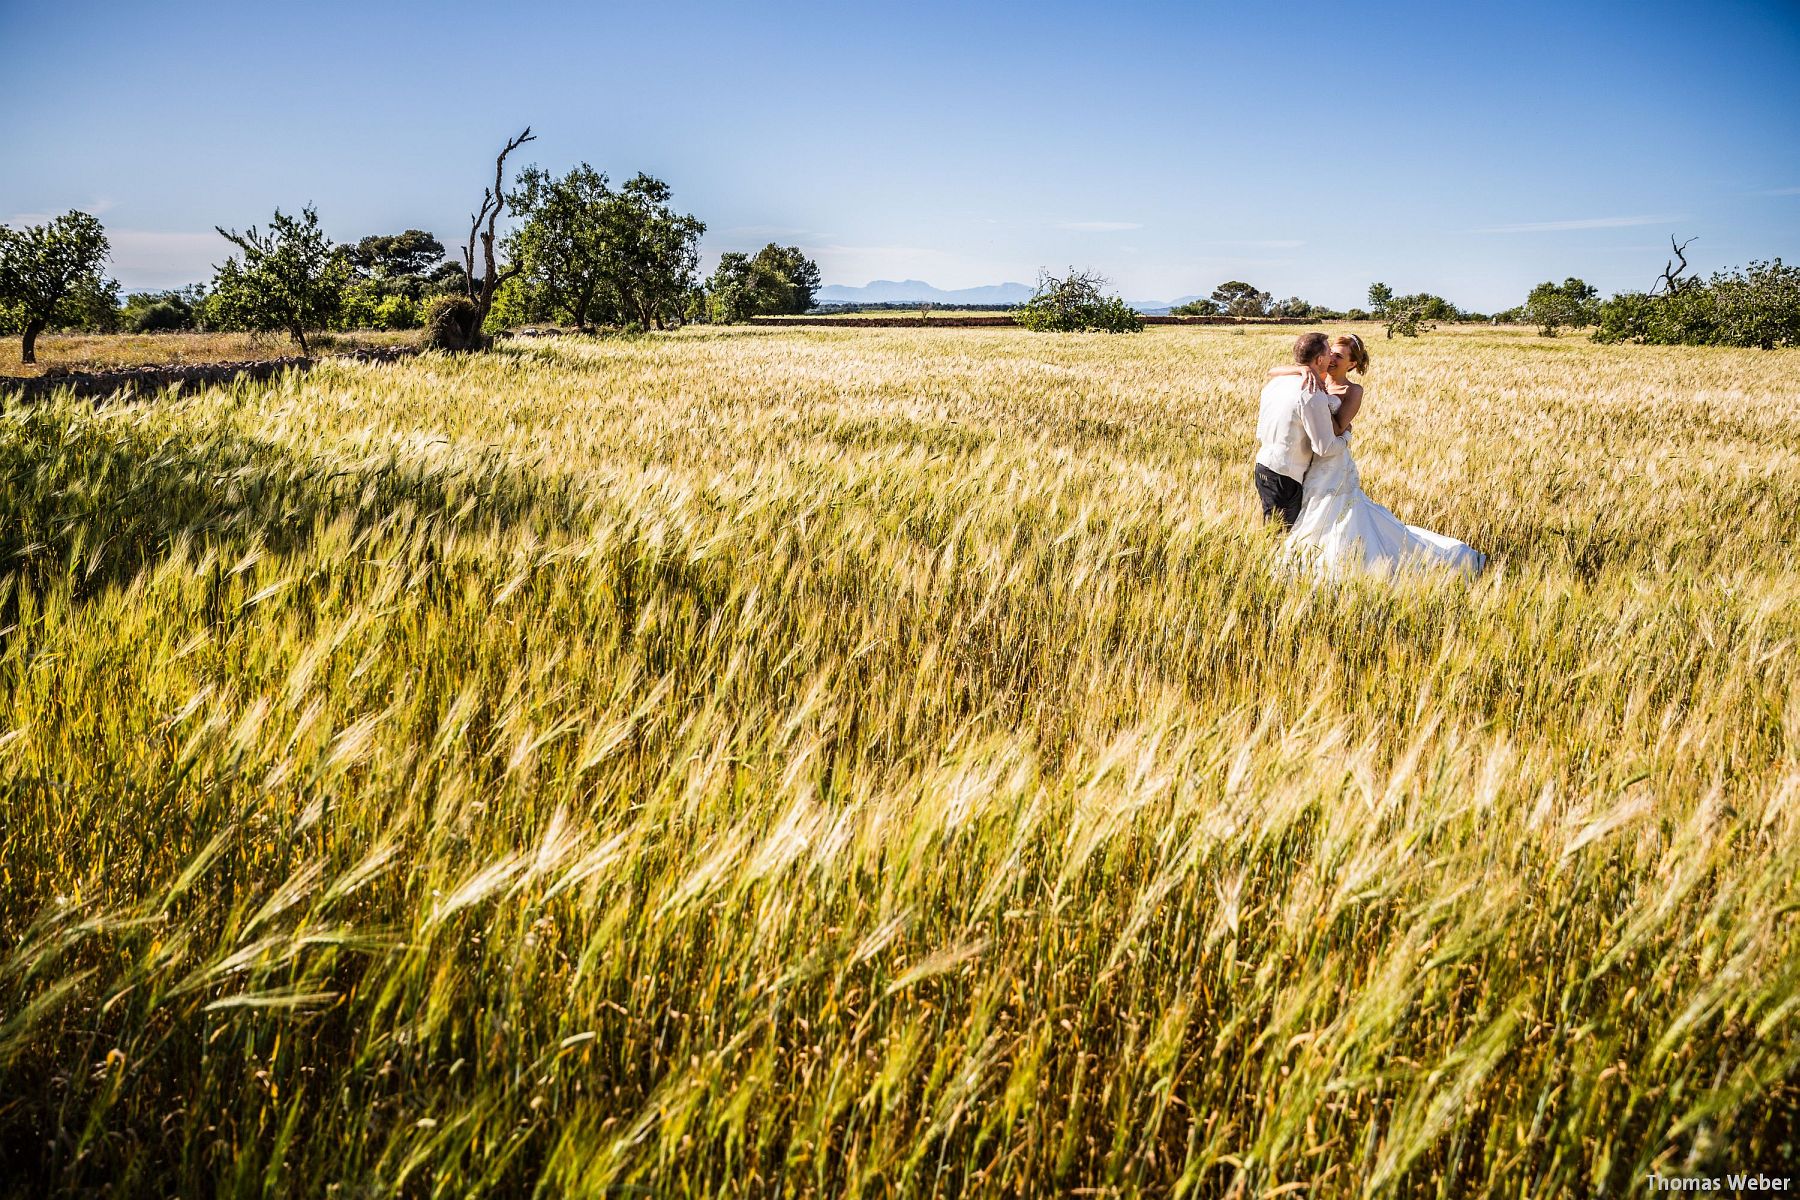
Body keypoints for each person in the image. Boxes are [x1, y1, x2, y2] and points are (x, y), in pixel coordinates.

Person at [1266, 333, 1485, 578]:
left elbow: (1339, 427)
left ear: (1352, 364)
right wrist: (1301, 371)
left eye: (1339, 356)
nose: (1332, 359)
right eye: (1331, 354)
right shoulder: (1316, 377)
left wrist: (1326, 413)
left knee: (1340, 517)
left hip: (1332, 461)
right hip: (1312, 463)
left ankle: (1349, 567)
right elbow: (1274, 371)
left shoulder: (1352, 390)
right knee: (1311, 513)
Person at [1253, 332, 1346, 529]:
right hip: (1286, 476)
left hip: (1263, 464)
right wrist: (1346, 436)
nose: (1332, 357)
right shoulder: (1310, 393)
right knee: (1280, 537)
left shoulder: (1276, 383)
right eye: (1329, 352)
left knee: (1273, 530)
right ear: (1320, 359)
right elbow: (1325, 448)